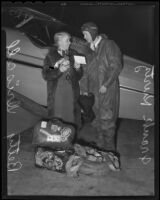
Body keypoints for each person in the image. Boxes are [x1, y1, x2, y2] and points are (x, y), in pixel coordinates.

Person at [81, 22, 123, 170]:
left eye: (85, 34)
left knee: (108, 120)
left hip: (107, 90)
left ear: (92, 33)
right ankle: (100, 150)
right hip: (94, 92)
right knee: (97, 119)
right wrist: (85, 89)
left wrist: (106, 83)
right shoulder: (88, 49)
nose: (83, 36)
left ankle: (111, 153)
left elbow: (116, 65)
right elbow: (85, 71)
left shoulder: (109, 45)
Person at [42, 32, 83, 130]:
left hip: (71, 92)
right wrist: (59, 69)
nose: (70, 43)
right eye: (67, 40)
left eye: (69, 40)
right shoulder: (51, 56)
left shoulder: (74, 54)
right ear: (59, 42)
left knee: (70, 116)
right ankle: (56, 141)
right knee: (57, 117)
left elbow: (79, 76)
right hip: (57, 93)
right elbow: (46, 73)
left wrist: (78, 68)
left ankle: (69, 139)